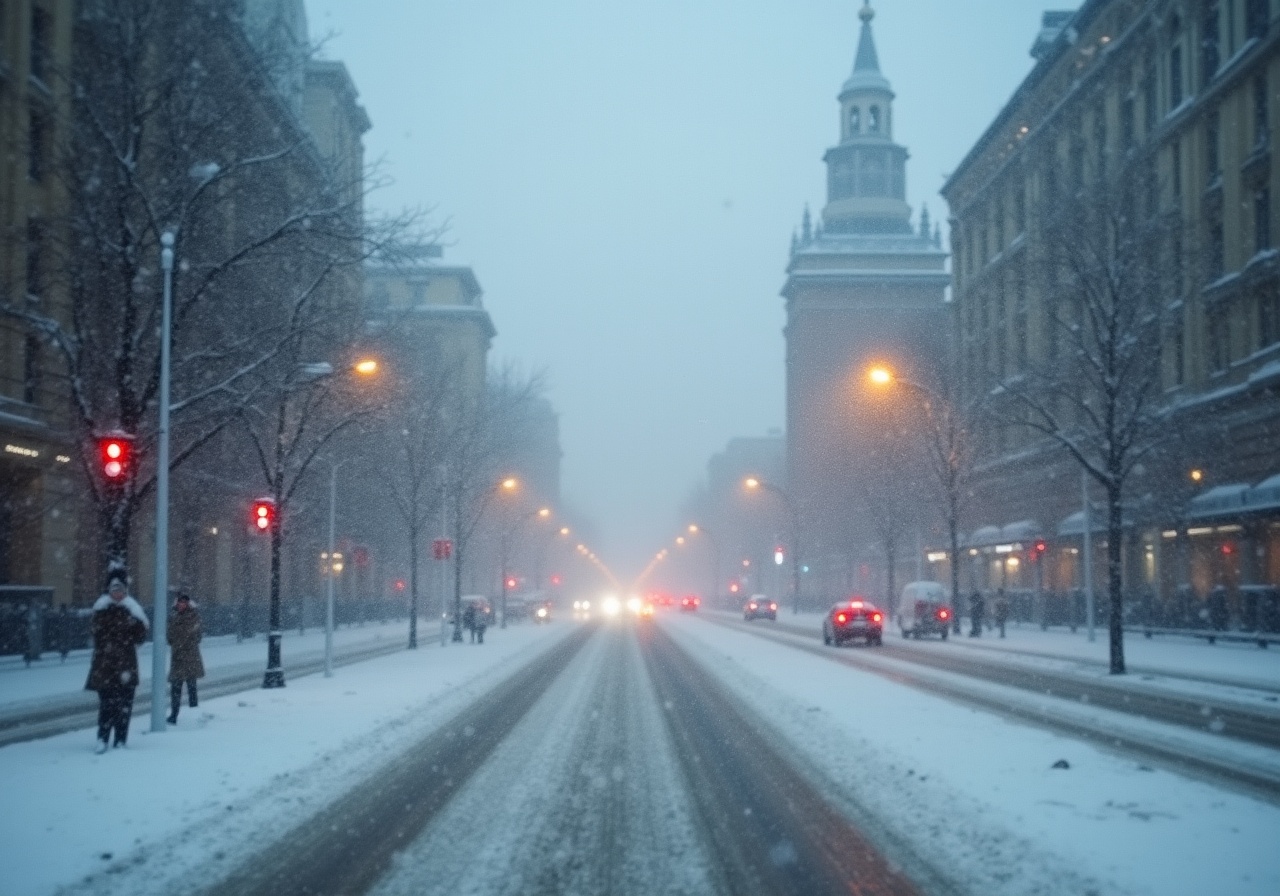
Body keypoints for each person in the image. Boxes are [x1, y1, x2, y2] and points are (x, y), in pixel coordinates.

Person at [85, 572, 149, 753]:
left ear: (125, 591)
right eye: (114, 589)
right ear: (109, 591)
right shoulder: (101, 610)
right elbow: (95, 632)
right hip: (104, 668)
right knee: (106, 706)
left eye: (120, 589)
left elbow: (141, 637)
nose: (117, 593)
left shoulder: (132, 610)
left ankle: (121, 739)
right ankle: (102, 739)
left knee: (124, 707)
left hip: (126, 667)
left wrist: (136, 623)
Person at [166, 592, 205, 724]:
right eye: (179, 602)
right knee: (176, 688)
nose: (181, 604)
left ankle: (193, 715)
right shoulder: (172, 616)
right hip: (177, 657)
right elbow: (169, 636)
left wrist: (182, 640)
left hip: (190, 657)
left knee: (191, 686)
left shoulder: (193, 616)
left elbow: (196, 635)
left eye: (184, 602)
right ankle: (174, 714)